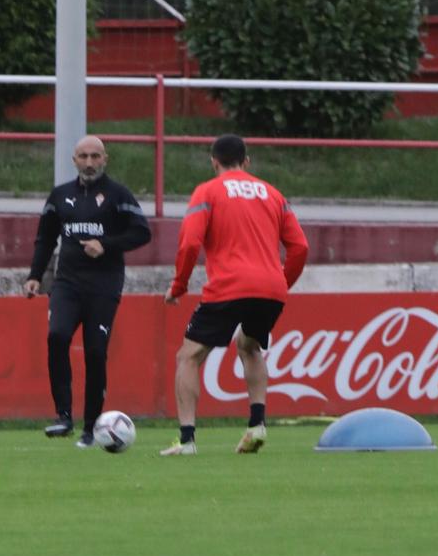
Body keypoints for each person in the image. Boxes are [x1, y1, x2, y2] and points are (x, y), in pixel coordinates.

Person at [162, 132, 309, 456]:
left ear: (213, 161)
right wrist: (282, 283)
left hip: (229, 285)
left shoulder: (208, 191)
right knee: (250, 346)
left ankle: (187, 441)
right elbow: (300, 246)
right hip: (270, 286)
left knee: (188, 356)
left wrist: (178, 286)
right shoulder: (273, 194)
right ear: (247, 162)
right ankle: (256, 426)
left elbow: (189, 243)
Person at [23, 134, 151, 447]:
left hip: (103, 285)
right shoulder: (60, 196)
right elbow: (45, 239)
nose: (90, 163)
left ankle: (91, 427)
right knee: (57, 337)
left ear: (105, 159)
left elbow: (142, 232)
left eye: (96, 156)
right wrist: (35, 276)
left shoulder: (118, 194)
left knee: (95, 352)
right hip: (67, 283)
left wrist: (105, 245)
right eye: (84, 157)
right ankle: (63, 415)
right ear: (74, 160)